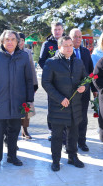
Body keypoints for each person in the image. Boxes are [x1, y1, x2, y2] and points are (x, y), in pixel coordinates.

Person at [0, 30, 34, 171]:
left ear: (17, 42)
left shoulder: (23, 56)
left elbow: (29, 79)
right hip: (0, 101)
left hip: (18, 101)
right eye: (7, 39)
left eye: (13, 39)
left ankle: (12, 156)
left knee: (14, 130)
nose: (10, 42)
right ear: (2, 42)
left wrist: (29, 99)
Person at [42, 36, 87, 171]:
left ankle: (72, 156)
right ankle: (56, 160)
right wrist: (60, 98)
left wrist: (83, 86)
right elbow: (46, 83)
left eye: (70, 45)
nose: (69, 48)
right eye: (65, 45)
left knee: (73, 133)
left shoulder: (78, 62)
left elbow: (85, 78)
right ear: (59, 47)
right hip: (59, 106)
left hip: (74, 105)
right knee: (57, 136)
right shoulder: (51, 62)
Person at [69, 28, 98, 151]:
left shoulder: (86, 52)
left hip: (84, 91)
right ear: (70, 38)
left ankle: (82, 141)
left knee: (83, 117)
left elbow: (91, 71)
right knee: (70, 118)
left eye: (80, 37)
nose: (78, 39)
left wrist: (93, 89)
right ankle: (70, 142)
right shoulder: (67, 51)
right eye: (75, 36)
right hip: (71, 91)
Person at [38, 21, 65, 140]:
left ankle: (65, 130)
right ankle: (53, 131)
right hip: (53, 81)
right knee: (53, 105)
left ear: (63, 30)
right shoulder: (47, 44)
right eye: (55, 29)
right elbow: (41, 60)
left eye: (59, 29)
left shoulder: (67, 42)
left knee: (65, 104)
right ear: (52, 30)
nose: (57, 31)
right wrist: (50, 71)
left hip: (65, 81)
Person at [17, 32, 39, 139]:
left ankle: (25, 129)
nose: (20, 42)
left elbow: (32, 68)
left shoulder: (27, 52)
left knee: (27, 108)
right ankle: (14, 130)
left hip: (27, 84)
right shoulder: (12, 52)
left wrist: (34, 84)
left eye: (22, 40)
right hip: (15, 85)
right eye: (18, 40)